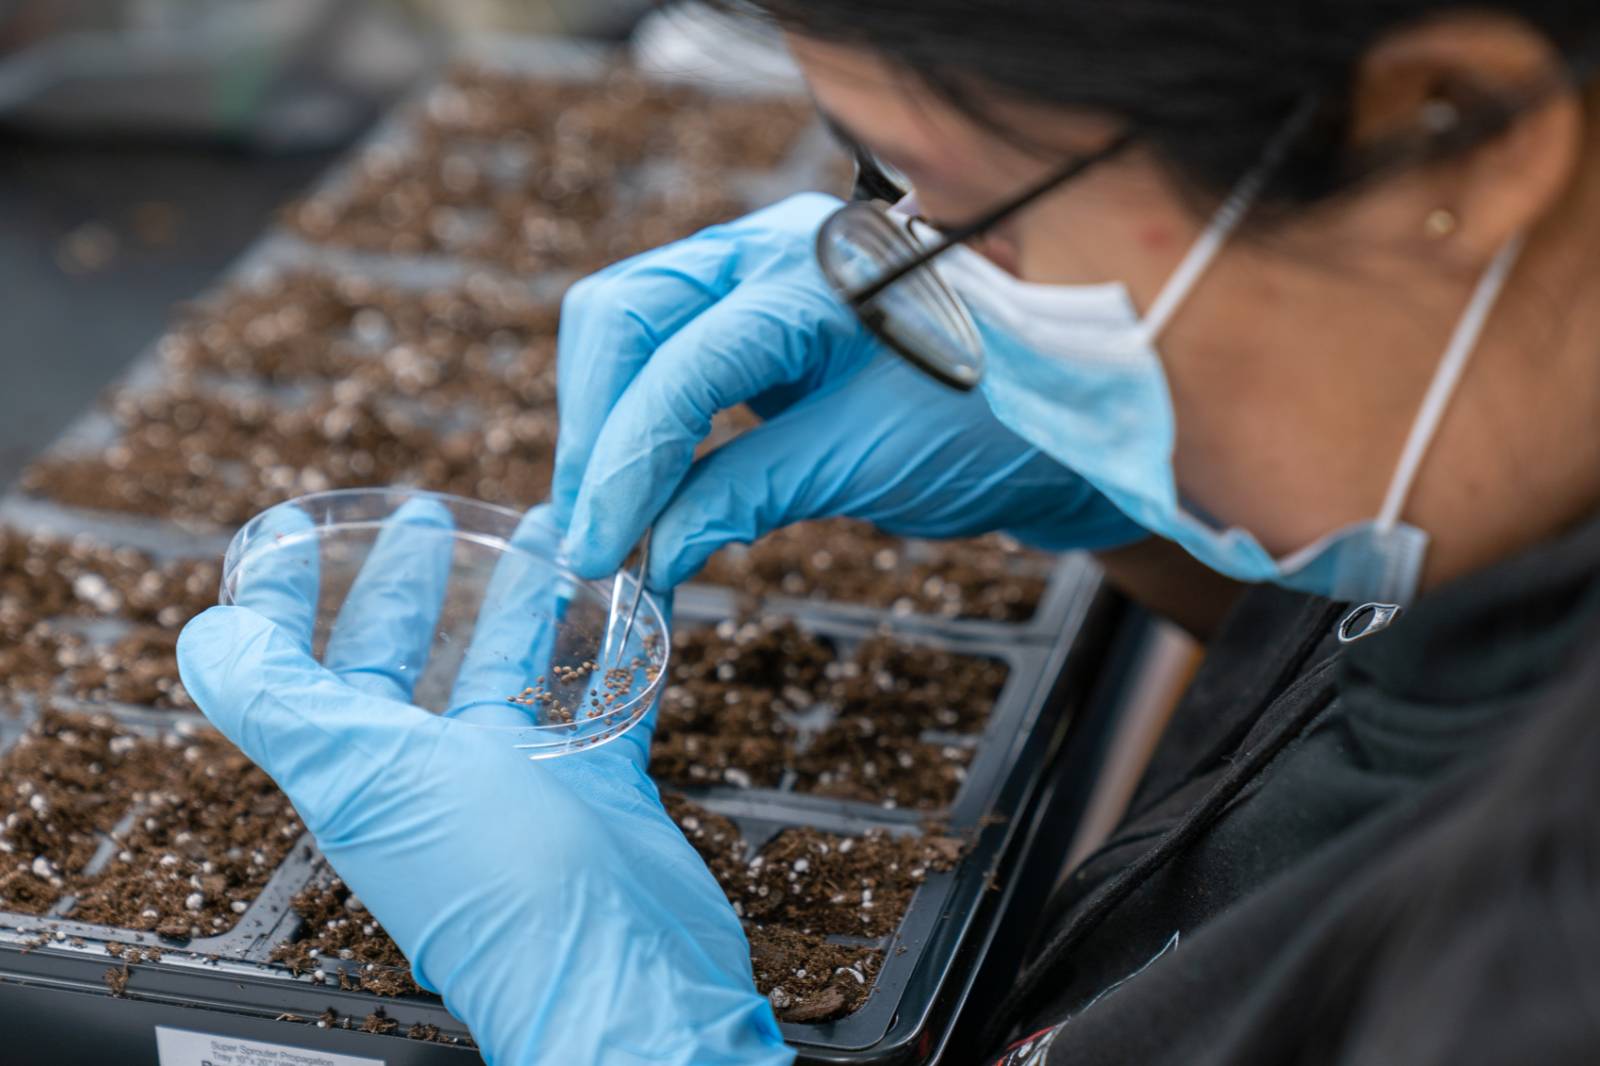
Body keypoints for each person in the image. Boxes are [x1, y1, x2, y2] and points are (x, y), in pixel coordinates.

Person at [174, 1, 1600, 1062]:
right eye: (887, 199)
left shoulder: (1537, 960)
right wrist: (1141, 502)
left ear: (1441, 142)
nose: (929, 282)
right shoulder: (1504, 508)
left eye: (976, 212)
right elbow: (1362, 720)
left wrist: (628, 1030)